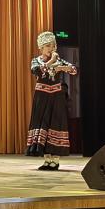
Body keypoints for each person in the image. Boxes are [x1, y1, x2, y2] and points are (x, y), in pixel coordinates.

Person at [26, 31, 77, 170]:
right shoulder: (36, 60)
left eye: (53, 45)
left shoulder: (59, 60)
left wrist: (61, 67)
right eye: (48, 46)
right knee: (43, 123)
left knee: (56, 124)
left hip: (56, 97)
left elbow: (73, 70)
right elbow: (37, 71)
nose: (51, 48)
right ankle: (47, 159)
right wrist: (51, 62)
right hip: (41, 96)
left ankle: (55, 160)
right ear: (41, 48)